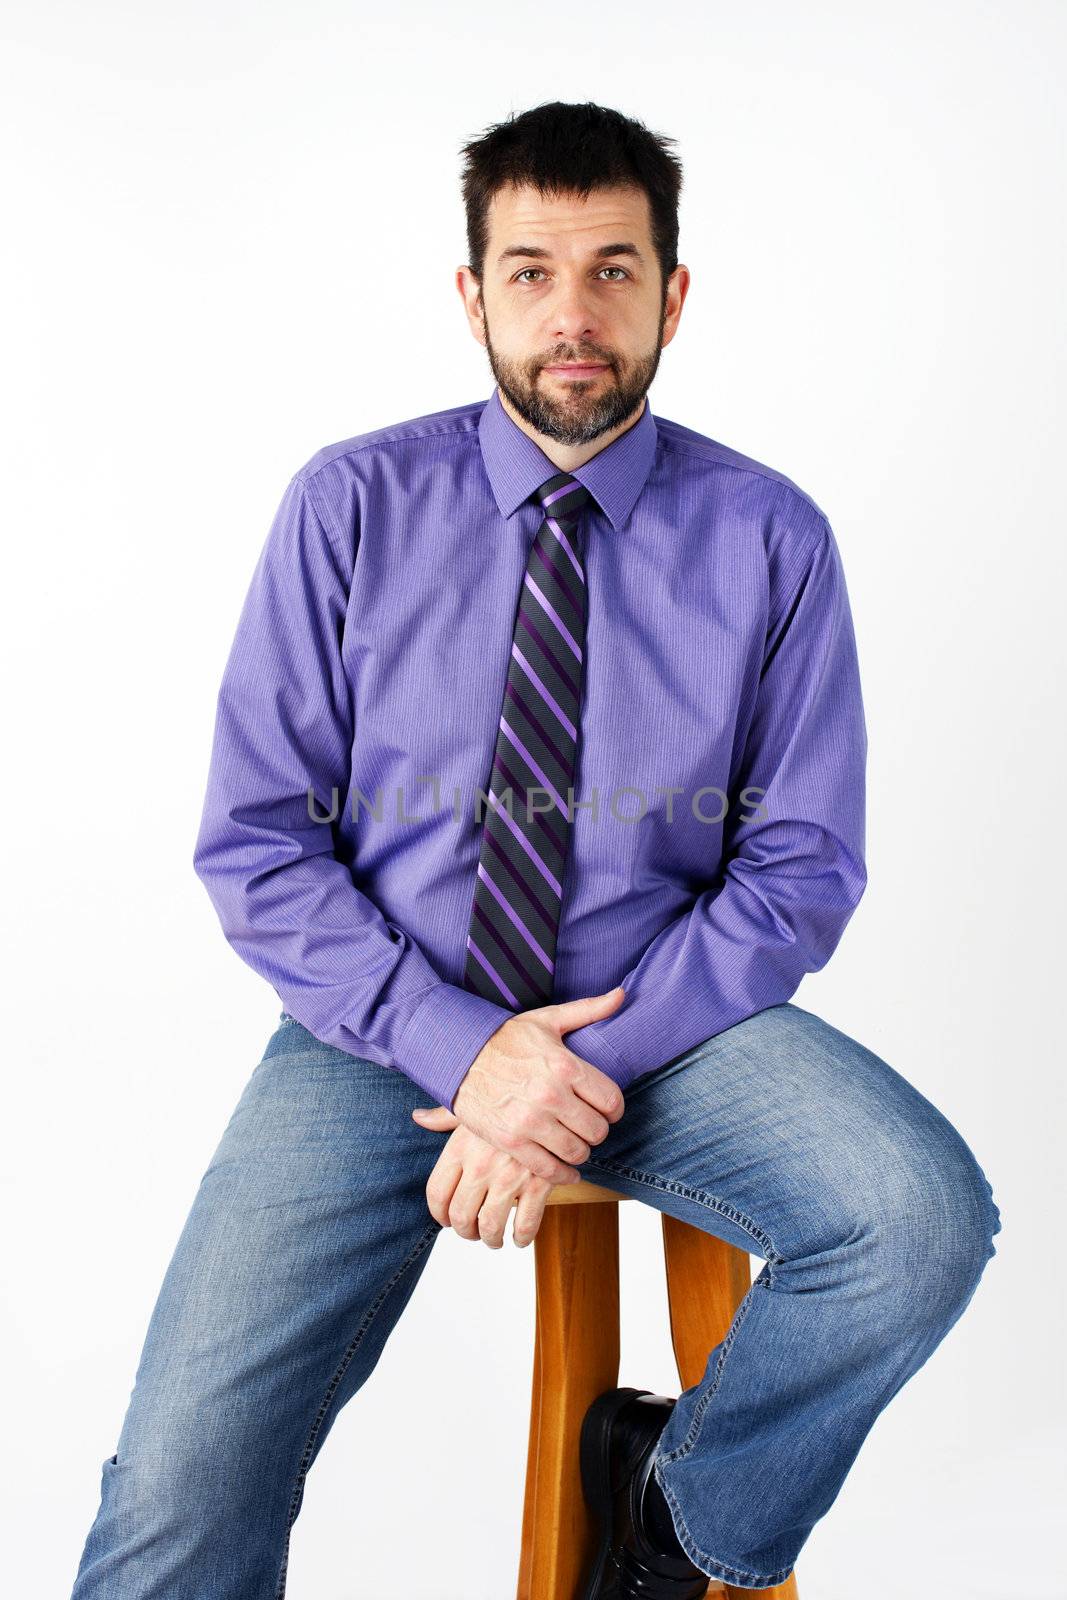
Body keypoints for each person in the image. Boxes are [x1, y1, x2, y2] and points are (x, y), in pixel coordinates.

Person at [68, 99, 1001, 1599]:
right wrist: (469, 1049)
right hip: (377, 1030)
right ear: (471, 293)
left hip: (668, 1026)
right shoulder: (351, 506)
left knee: (919, 1218)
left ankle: (677, 1513)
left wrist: (589, 1062)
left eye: (616, 270)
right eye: (530, 271)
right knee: (181, 1483)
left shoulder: (772, 537)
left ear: (674, 294)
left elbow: (803, 863)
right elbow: (257, 841)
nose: (574, 316)